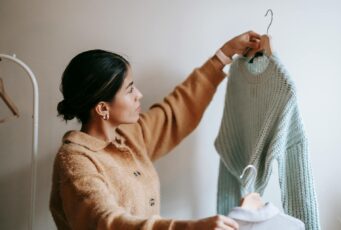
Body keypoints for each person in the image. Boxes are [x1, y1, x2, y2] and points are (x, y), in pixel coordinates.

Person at [49, 31, 262, 230]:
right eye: (130, 89)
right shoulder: (75, 161)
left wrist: (225, 53)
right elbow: (106, 222)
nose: (139, 95)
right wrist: (190, 227)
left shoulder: (129, 134)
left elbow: (178, 109)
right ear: (103, 108)